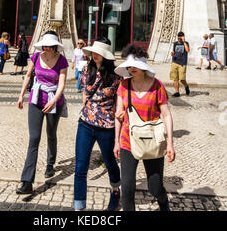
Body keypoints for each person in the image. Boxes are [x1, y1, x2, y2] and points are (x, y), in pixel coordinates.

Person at [114, 44, 175, 212]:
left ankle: (163, 203)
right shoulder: (123, 85)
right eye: (129, 65)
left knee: (155, 188)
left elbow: (167, 115)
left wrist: (170, 143)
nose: (131, 68)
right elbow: (118, 115)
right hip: (128, 141)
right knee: (126, 189)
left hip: (152, 140)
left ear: (143, 67)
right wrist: (116, 142)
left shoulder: (157, 86)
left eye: (135, 65)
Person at [16, 31, 68, 195]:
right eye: (45, 45)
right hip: (36, 100)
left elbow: (61, 84)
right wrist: (21, 95)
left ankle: (50, 165)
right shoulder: (36, 57)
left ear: (55, 46)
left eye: (50, 45)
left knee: (51, 134)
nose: (47, 48)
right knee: (34, 138)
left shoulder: (62, 60)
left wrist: (53, 101)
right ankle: (27, 181)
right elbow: (28, 75)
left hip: (54, 101)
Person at [74, 38, 122, 212]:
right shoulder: (87, 70)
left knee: (110, 162)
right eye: (93, 51)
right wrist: (84, 111)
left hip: (106, 126)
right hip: (86, 123)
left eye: (98, 52)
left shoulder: (116, 76)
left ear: (106, 55)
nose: (94, 55)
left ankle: (115, 191)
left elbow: (119, 105)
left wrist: (118, 133)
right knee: (80, 166)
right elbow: (85, 94)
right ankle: (79, 207)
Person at [169, 31, 190, 97]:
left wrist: (184, 42)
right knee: (175, 78)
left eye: (181, 37)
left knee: (182, 79)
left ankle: (186, 86)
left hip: (182, 63)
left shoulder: (186, 43)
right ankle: (177, 92)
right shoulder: (175, 43)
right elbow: (174, 52)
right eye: (178, 37)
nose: (179, 39)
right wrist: (172, 53)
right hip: (175, 62)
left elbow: (187, 50)